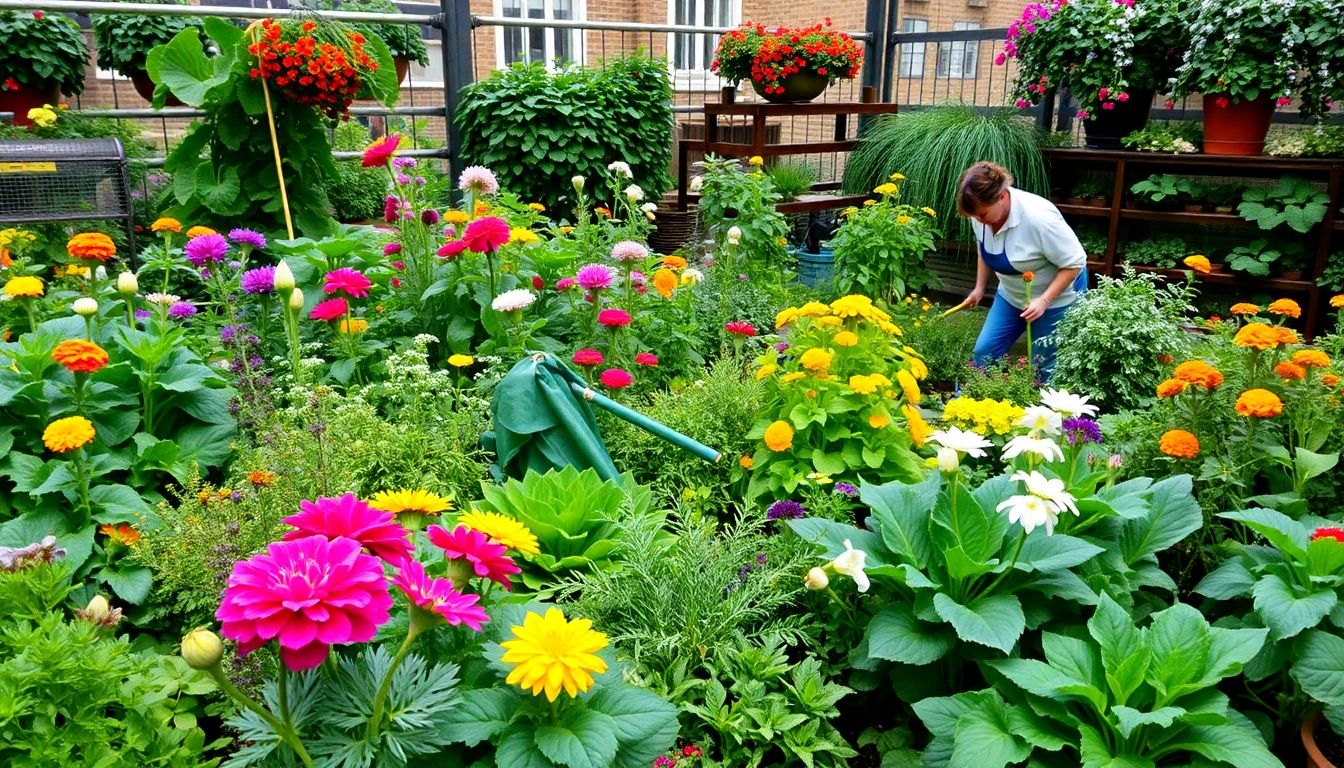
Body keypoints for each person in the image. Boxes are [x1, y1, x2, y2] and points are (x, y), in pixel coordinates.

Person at [957, 161, 1087, 380]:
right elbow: (984, 249)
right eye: (975, 216)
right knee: (983, 353)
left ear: (1002, 197)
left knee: (1044, 369)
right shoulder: (980, 215)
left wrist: (1044, 301)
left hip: (1057, 301)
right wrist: (979, 288)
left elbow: (1075, 263)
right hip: (1010, 296)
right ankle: (971, 407)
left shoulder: (1039, 218)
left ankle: (1044, 414)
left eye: (983, 215)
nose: (979, 220)